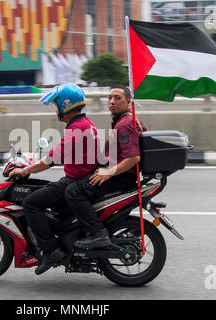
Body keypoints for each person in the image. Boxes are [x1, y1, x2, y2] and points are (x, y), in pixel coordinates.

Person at [8, 83, 99, 275]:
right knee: (47, 191)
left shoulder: (77, 129)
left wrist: (24, 171)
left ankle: (51, 251)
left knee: (31, 202)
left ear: (66, 105)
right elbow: (58, 154)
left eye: (57, 105)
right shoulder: (84, 124)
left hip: (76, 181)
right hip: (80, 178)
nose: (56, 110)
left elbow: (52, 159)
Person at [65, 84, 147, 249]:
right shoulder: (123, 121)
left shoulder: (125, 124)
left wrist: (108, 173)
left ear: (128, 102)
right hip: (119, 174)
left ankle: (97, 234)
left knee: (73, 191)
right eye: (109, 98)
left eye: (117, 98)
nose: (112, 102)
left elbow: (133, 157)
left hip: (121, 177)